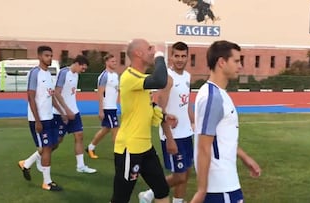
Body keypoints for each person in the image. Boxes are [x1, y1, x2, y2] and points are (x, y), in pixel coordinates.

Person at [190, 40, 261, 203]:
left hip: (225, 183)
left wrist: (244, 157)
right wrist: (201, 190)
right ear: (222, 62)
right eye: (236, 61)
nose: (240, 65)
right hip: (221, 186)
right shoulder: (213, 98)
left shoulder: (215, 93)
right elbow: (204, 146)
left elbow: (221, 137)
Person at [110, 38, 178, 203]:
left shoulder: (141, 78)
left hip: (145, 147)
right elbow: (161, 80)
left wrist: (163, 115)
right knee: (121, 198)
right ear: (138, 53)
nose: (152, 50)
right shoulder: (129, 77)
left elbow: (146, 106)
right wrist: (160, 54)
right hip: (130, 148)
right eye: (149, 48)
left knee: (161, 190)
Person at [139, 42, 194, 203]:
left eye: (183, 56)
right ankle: (149, 194)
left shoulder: (187, 76)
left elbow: (186, 103)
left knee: (186, 173)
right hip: (173, 135)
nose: (180, 59)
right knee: (179, 175)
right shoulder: (168, 79)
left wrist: (193, 123)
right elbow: (161, 110)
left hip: (186, 133)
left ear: (187, 58)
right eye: (177, 55)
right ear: (171, 57)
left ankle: (178, 201)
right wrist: (169, 137)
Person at [18, 45, 63, 191]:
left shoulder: (49, 75)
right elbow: (31, 97)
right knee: (47, 148)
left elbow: (51, 97)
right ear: (39, 57)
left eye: (51, 55)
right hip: (38, 118)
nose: (49, 58)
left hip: (49, 117)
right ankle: (47, 182)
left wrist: (61, 112)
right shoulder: (34, 73)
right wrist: (37, 120)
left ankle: (26, 163)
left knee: (53, 145)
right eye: (46, 55)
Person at [52, 55, 97, 173]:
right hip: (61, 113)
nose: (83, 71)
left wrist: (72, 110)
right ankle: (35, 159)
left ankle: (81, 166)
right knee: (56, 141)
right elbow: (57, 93)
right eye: (83, 68)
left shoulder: (76, 75)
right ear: (77, 64)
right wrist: (66, 111)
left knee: (79, 136)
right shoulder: (63, 73)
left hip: (74, 112)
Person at [86, 53, 119, 159]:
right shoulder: (104, 76)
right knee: (115, 129)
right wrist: (101, 110)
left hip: (113, 107)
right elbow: (100, 93)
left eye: (115, 61)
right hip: (107, 108)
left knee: (106, 129)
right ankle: (118, 154)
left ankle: (90, 147)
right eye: (112, 61)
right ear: (107, 62)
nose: (115, 63)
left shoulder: (115, 75)